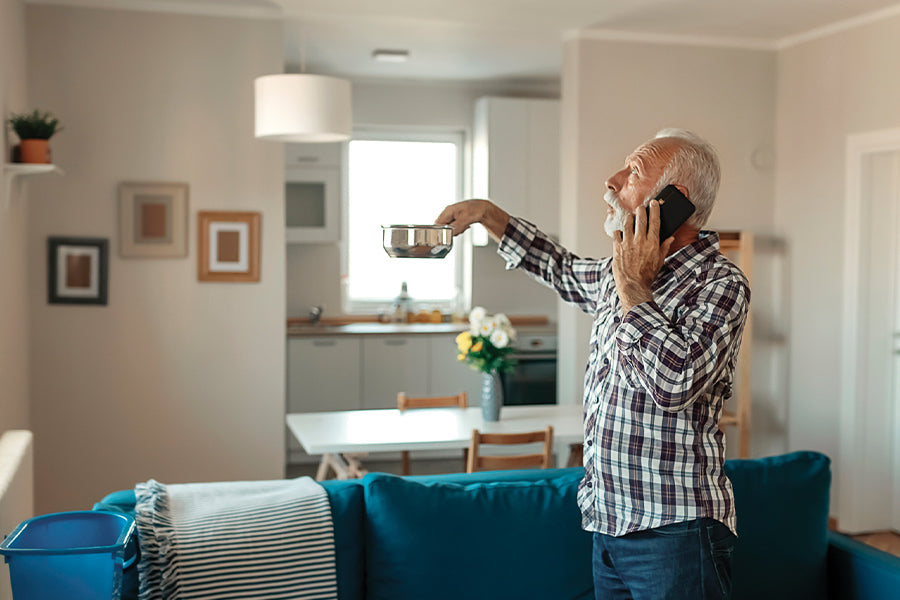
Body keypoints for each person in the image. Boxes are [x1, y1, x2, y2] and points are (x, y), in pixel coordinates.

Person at [436, 129, 750, 600]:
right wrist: (486, 214)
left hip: (675, 529)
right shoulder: (616, 271)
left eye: (634, 172)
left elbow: (675, 384)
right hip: (608, 522)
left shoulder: (720, 284)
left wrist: (635, 290)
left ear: (673, 201)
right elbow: (558, 267)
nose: (612, 180)